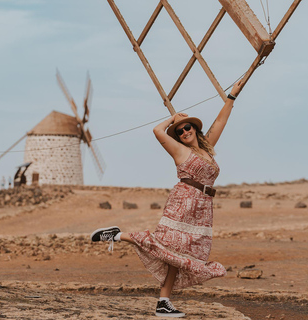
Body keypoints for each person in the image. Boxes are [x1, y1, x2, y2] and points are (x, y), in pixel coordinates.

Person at [90, 80, 243, 318]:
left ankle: (163, 302)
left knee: (178, 256)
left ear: (195, 128)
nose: (184, 132)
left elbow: (221, 120)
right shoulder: (179, 151)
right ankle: (119, 235)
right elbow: (157, 132)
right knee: (166, 245)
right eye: (180, 131)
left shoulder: (207, 148)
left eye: (187, 128)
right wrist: (173, 117)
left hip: (203, 207)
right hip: (184, 201)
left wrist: (232, 96)